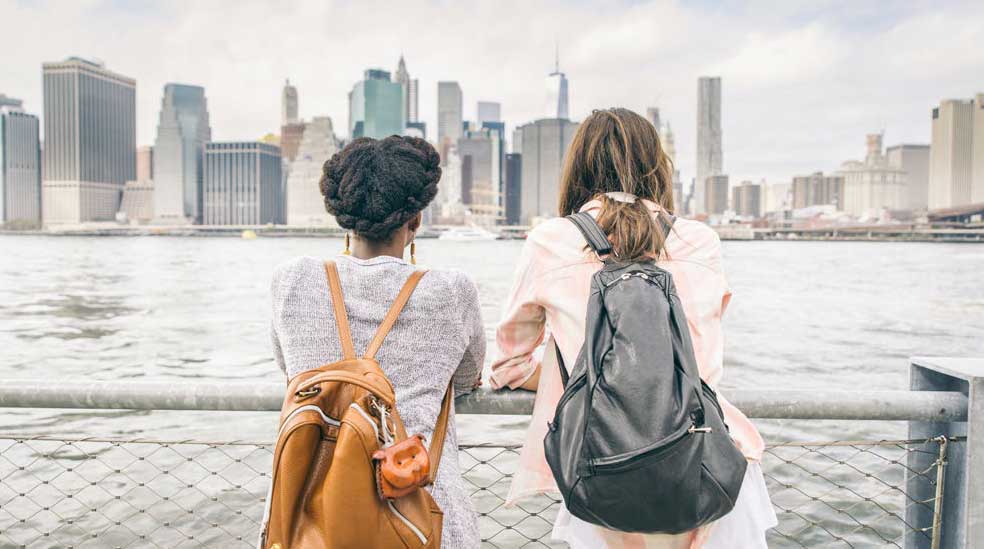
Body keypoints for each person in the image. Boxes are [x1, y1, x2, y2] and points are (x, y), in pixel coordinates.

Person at [490, 108, 777, 548]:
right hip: (709, 464)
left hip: (605, 473)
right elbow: (702, 356)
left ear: (577, 169)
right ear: (657, 167)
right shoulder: (701, 241)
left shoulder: (550, 242)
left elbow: (508, 367)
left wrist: (582, 378)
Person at [269, 135, 484, 548]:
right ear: (416, 219)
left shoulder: (291, 280)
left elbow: (291, 371)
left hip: (308, 519)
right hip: (420, 512)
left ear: (343, 217)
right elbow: (467, 376)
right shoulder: (453, 290)